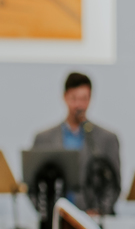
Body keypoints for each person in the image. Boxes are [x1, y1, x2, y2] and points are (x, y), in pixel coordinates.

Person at [32, 72, 122, 215]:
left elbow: (113, 185)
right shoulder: (44, 139)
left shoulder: (107, 139)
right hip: (55, 219)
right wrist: (48, 213)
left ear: (90, 98)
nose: (79, 105)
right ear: (65, 97)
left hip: (93, 221)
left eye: (84, 99)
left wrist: (100, 211)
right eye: (74, 98)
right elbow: (33, 185)